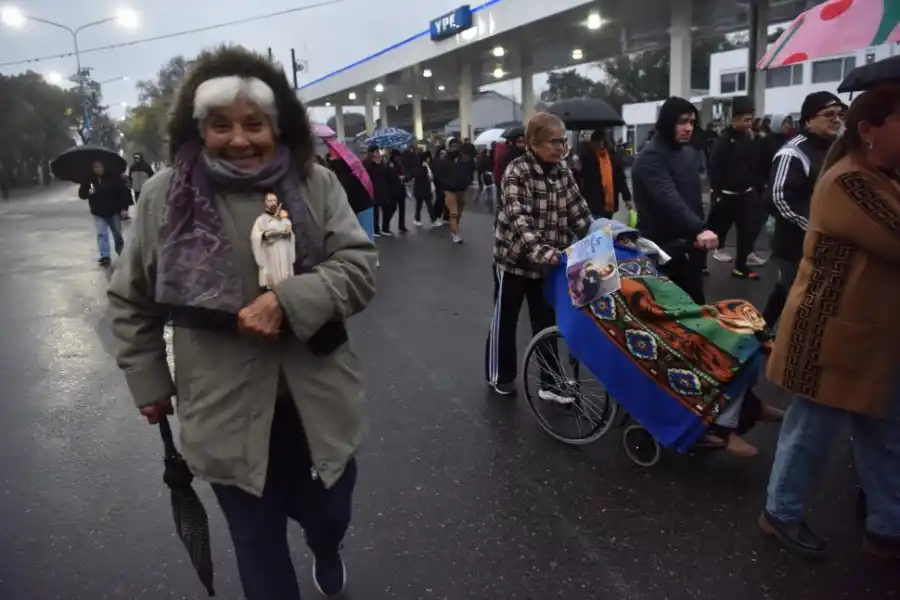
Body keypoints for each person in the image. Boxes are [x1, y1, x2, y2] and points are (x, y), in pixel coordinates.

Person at [106, 46, 377, 599]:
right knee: (258, 550)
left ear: (278, 127)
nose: (239, 139)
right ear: (197, 128)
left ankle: (326, 548)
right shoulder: (164, 196)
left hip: (316, 399)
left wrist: (290, 300)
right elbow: (132, 300)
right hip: (223, 407)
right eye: (221, 125)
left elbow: (359, 266)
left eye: (254, 124)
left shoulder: (314, 183)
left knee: (330, 512)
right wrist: (150, 382)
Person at [759, 85, 900, 561]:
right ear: (870, 130)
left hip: (873, 336)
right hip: (830, 334)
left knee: (885, 434)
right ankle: (780, 510)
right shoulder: (849, 182)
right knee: (811, 431)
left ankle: (887, 526)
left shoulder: (884, 176)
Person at [485, 112, 592, 397]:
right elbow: (519, 219)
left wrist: (600, 238)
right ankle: (499, 374)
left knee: (546, 323)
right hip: (514, 260)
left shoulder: (562, 171)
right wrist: (542, 251)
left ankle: (550, 382)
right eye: (553, 141)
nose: (560, 147)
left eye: (563, 141)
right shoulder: (516, 171)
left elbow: (578, 212)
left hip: (548, 263)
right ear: (533, 142)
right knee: (505, 319)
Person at [761, 92, 845, 326]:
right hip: (795, 243)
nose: (836, 120)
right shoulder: (793, 152)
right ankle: (789, 354)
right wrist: (816, 227)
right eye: (828, 115)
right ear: (808, 120)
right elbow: (778, 198)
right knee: (802, 304)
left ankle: (759, 331)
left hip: (825, 241)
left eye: (839, 114)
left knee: (786, 289)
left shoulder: (836, 148)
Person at [631, 97, 718, 305]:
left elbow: (691, 198)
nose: (688, 128)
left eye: (691, 122)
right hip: (662, 253)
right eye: (682, 122)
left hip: (687, 250)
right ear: (667, 122)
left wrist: (698, 230)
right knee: (668, 318)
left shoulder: (683, 152)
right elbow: (668, 197)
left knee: (696, 311)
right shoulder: (651, 158)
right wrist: (698, 228)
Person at [707, 97, 764, 279]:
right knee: (714, 230)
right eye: (746, 120)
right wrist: (716, 192)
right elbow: (715, 168)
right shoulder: (724, 140)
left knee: (747, 232)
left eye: (751, 119)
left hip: (746, 194)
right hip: (726, 195)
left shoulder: (749, 138)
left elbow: (753, 164)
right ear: (736, 119)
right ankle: (699, 263)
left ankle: (740, 266)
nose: (749, 123)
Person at [78, 159, 131, 267]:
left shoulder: (114, 178)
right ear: (92, 169)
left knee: (117, 233)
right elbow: (82, 194)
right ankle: (105, 256)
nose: (99, 169)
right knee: (102, 234)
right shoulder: (89, 179)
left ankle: (121, 251)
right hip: (98, 212)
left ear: (104, 167)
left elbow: (124, 192)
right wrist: (88, 193)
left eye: (100, 166)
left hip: (113, 211)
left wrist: (124, 208)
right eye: (96, 167)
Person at [575, 128, 632, 220]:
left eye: (603, 142)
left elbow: (620, 179)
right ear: (593, 143)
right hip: (592, 203)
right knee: (597, 229)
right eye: (598, 142)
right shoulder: (586, 157)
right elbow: (579, 178)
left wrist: (627, 198)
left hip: (609, 204)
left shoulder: (613, 157)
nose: (601, 145)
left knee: (607, 229)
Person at [435, 137, 472, 244]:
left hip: (461, 188)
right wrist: (445, 183)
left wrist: (467, 180)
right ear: (447, 147)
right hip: (449, 188)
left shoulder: (465, 158)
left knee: (459, 212)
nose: (454, 148)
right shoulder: (443, 160)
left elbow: (470, 169)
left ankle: (455, 226)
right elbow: (439, 174)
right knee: (454, 212)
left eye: (456, 146)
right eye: (452, 146)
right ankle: (454, 232)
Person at [363, 146, 392, 237]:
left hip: (383, 188)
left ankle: (385, 228)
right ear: (371, 153)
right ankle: (375, 229)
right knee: (375, 212)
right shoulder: (367, 163)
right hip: (373, 189)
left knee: (387, 208)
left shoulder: (382, 162)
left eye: (378, 151)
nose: (378, 153)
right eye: (376, 151)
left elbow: (386, 174)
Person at [386, 149, 408, 233]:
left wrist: (405, 177)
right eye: (397, 156)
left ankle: (402, 226)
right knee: (392, 208)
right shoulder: (390, 165)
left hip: (401, 189)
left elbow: (405, 173)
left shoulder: (401, 164)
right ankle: (386, 225)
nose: (398, 158)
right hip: (393, 190)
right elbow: (390, 177)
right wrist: (398, 177)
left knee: (402, 208)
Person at [412, 150, 437, 226]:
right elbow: (419, 176)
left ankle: (431, 220)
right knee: (422, 205)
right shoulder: (420, 166)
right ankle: (419, 219)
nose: (429, 159)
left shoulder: (426, 165)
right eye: (428, 158)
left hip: (426, 188)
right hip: (421, 189)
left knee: (426, 205)